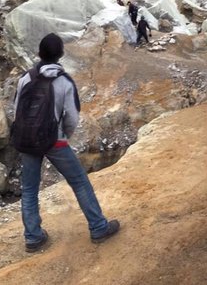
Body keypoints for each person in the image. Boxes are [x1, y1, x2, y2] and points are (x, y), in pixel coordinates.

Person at [10, 33, 123, 253]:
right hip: (54, 140)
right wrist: (63, 136)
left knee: (30, 189)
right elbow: (71, 116)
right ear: (61, 54)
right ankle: (98, 227)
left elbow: (17, 111)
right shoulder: (64, 81)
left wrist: (25, 133)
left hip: (27, 140)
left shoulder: (25, 78)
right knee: (79, 182)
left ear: (39, 53)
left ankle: (33, 237)